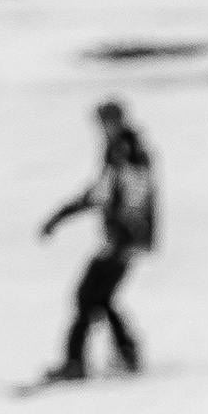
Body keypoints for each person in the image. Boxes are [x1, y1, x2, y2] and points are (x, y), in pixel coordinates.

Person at [37, 99, 158, 381]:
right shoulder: (121, 151)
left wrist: (126, 234)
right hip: (122, 239)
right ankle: (127, 351)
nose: (103, 129)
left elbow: (132, 195)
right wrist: (60, 216)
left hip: (122, 241)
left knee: (86, 297)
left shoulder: (129, 152)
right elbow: (101, 192)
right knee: (100, 298)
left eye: (107, 122)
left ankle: (75, 362)